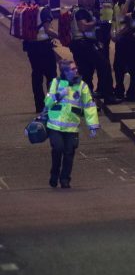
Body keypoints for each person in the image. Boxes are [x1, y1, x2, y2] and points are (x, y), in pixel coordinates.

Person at [43, 60, 99, 189]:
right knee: (57, 149)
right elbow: (47, 103)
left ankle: (65, 179)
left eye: (75, 68)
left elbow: (89, 106)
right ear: (65, 72)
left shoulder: (82, 86)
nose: (76, 71)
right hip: (55, 126)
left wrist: (93, 125)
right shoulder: (56, 83)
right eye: (72, 69)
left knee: (69, 153)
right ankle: (54, 174)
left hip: (72, 127)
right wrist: (58, 95)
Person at [23, 0, 58, 113]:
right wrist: (62, 37)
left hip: (32, 46)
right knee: (52, 76)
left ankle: (39, 105)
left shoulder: (31, 9)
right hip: (44, 46)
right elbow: (48, 30)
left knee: (37, 75)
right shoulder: (45, 11)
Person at [69, 0, 100, 95]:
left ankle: (88, 97)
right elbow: (83, 27)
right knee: (87, 73)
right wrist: (95, 22)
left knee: (87, 73)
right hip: (83, 45)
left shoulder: (81, 10)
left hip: (83, 45)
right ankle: (87, 101)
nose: (89, 0)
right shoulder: (80, 12)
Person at [110, 0, 132, 99]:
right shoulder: (116, 4)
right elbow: (115, 21)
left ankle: (130, 91)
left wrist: (119, 34)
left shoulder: (129, 4)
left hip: (128, 39)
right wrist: (112, 34)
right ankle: (119, 90)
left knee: (128, 67)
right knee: (118, 66)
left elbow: (130, 24)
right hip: (119, 40)